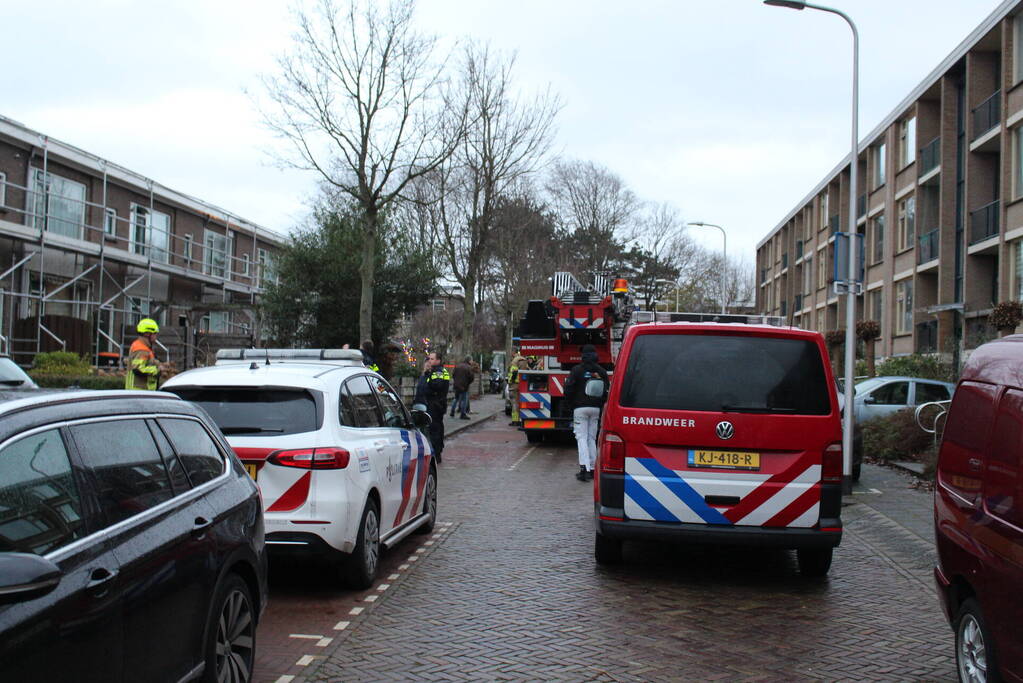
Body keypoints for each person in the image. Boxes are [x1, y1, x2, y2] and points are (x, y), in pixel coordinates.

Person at [563, 344, 609, 481]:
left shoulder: (577, 370)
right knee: (591, 438)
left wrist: (570, 405)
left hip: (580, 408)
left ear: (583, 355)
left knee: (581, 437)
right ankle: (594, 468)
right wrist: (600, 405)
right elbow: (606, 391)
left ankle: (584, 468)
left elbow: (569, 389)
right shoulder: (602, 371)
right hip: (595, 409)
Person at [417, 351, 450, 463]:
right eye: (429, 359)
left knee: (434, 429)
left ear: (438, 360)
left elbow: (436, 386)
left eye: (432, 359)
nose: (429, 361)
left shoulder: (438, 372)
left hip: (435, 405)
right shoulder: (434, 372)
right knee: (435, 428)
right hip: (433, 404)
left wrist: (428, 379)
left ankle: (436, 453)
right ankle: (436, 451)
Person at [125, 318, 162, 390]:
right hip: (139, 391)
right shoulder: (141, 349)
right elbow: (138, 369)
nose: (156, 336)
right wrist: (157, 369)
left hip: (141, 392)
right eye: (155, 333)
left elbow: (147, 363)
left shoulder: (144, 347)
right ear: (147, 334)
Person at [507, 350, 529, 426]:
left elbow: (514, 372)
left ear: (514, 353)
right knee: (518, 403)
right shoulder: (523, 360)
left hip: (514, 385)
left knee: (514, 404)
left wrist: (512, 380)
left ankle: (515, 421)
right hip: (520, 385)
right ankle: (518, 420)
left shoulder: (515, 361)